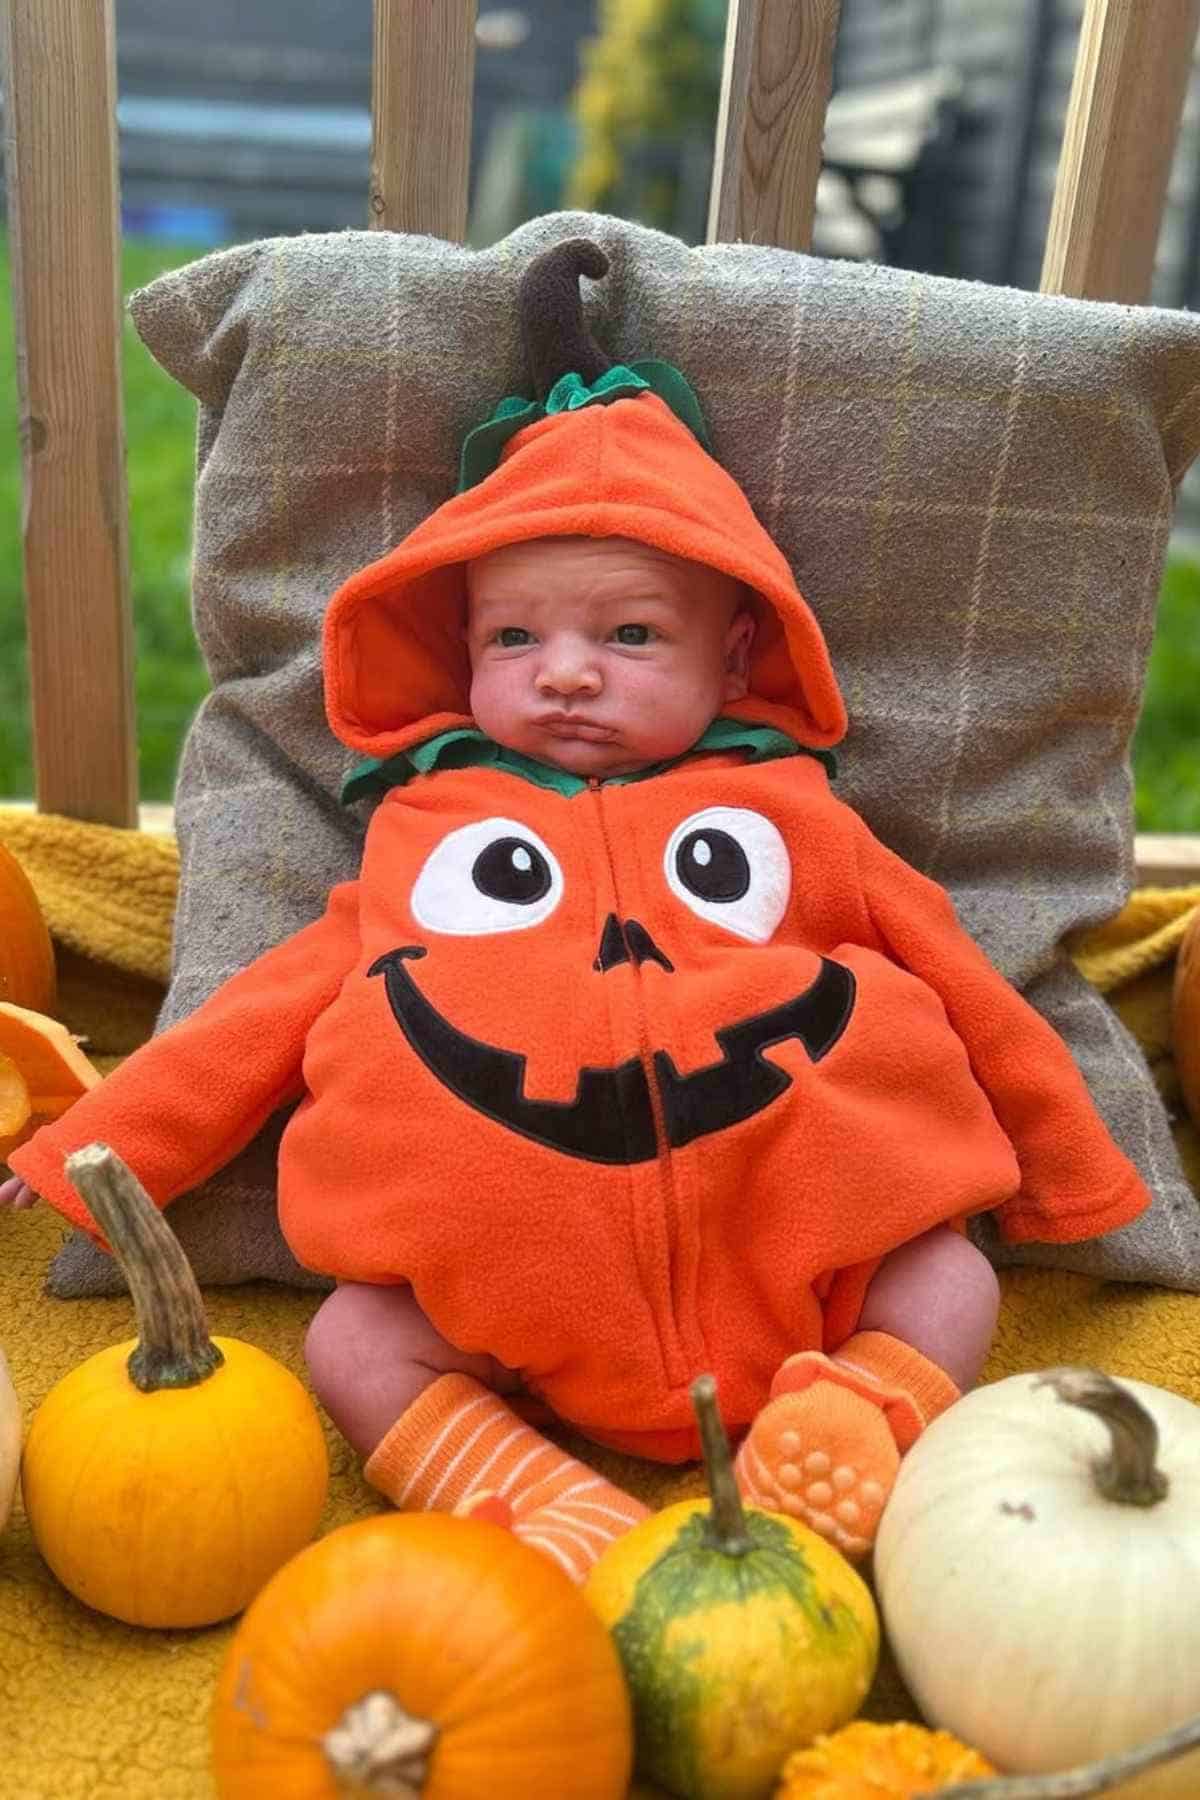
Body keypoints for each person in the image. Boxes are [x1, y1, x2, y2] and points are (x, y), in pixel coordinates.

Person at [1, 240, 1151, 1579]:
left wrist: (1077, 1176)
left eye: (629, 636)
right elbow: (264, 1009)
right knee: (352, 1340)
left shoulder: (790, 815)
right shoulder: (430, 836)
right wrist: (90, 1153)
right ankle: (531, 1498)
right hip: (496, 1290)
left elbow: (954, 972)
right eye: (514, 640)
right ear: (460, 648)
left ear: (735, 654)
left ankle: (857, 1411)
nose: (565, 679)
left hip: (806, 1244)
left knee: (948, 1274)